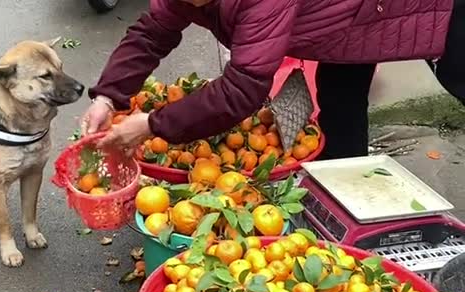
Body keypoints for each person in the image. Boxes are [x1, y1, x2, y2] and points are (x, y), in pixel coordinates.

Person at [81, 0, 464, 159]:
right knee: (339, 107)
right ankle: (343, 214)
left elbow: (243, 87)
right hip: (349, 24)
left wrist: (151, 124)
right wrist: (108, 98)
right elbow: (152, 33)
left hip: (427, 9)